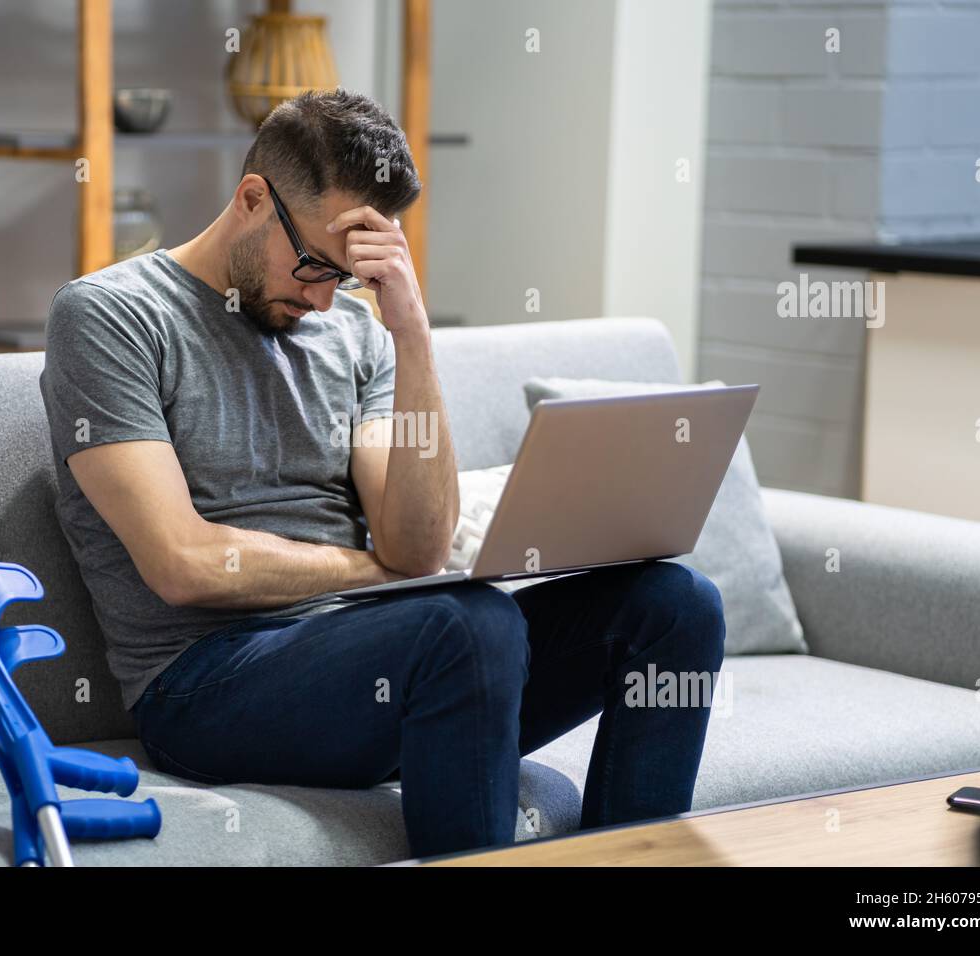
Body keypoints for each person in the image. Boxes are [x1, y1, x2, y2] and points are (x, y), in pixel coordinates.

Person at [39, 87, 725, 859]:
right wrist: (380, 574)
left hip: (396, 669)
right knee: (469, 621)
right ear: (252, 199)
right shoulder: (111, 318)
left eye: (348, 277)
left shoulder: (353, 333)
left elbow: (418, 545)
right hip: (205, 686)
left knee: (676, 605)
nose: (324, 297)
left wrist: (411, 332)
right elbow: (183, 563)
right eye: (312, 265)